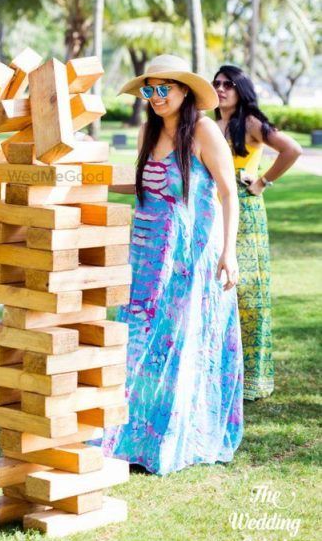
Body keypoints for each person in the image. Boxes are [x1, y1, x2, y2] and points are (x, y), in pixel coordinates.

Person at [97, 54, 244, 476]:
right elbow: (142, 182)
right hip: (145, 253)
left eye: (164, 89)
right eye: (150, 90)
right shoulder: (147, 131)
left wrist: (228, 251)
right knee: (137, 338)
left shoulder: (202, 130)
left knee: (179, 341)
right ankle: (129, 435)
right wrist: (85, 176)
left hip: (189, 256)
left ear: (184, 92)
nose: (156, 97)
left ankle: (173, 435)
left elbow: (228, 192)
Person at [213, 65, 301, 400]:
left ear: (241, 89)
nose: (221, 89)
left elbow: (291, 149)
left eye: (228, 84)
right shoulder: (210, 123)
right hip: (213, 212)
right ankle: (221, 370)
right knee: (217, 289)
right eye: (217, 83)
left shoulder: (249, 122)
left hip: (246, 215)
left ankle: (252, 379)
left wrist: (263, 181)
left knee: (247, 292)